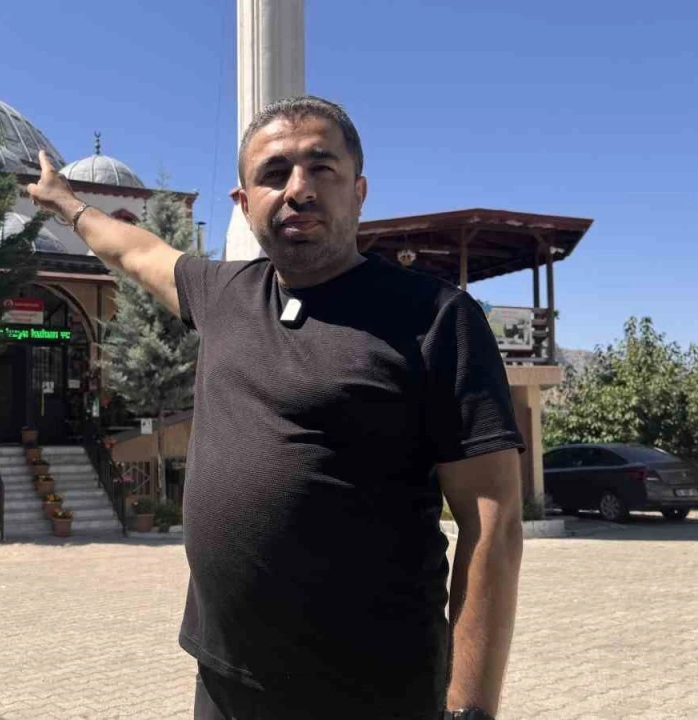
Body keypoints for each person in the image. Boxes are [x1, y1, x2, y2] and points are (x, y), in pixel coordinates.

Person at [27, 96, 524, 720]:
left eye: (322, 168)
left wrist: (470, 709)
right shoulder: (223, 294)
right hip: (225, 679)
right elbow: (134, 250)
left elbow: (493, 525)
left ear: (359, 191)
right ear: (244, 201)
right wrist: (68, 204)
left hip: (372, 693)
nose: (298, 189)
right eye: (274, 173)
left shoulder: (438, 319)